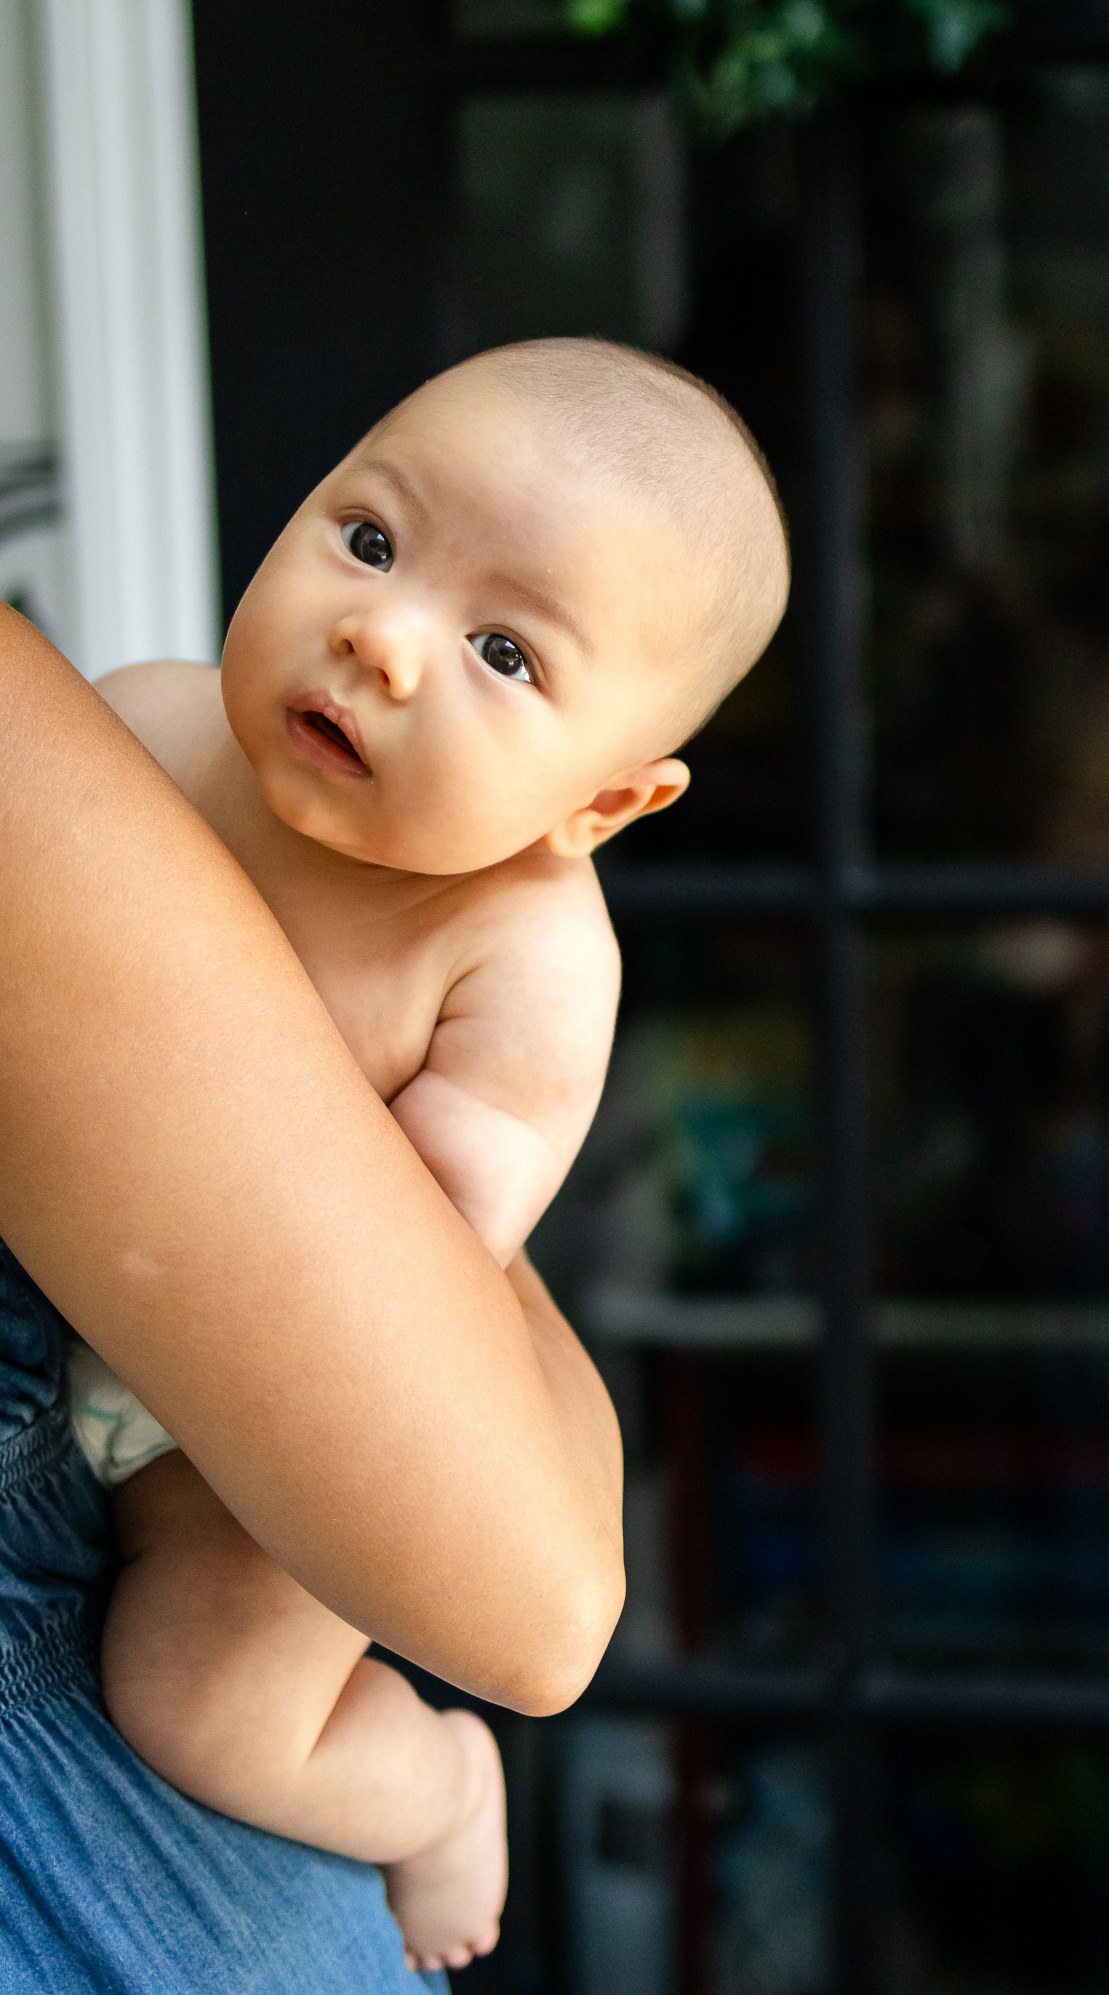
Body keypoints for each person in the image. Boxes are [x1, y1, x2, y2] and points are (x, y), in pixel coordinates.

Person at [57, 341, 790, 1974]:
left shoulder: (522, 958)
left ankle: (439, 1785)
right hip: (71, 1299)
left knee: (203, 1708)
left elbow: (431, 1252)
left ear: (602, 801)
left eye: (505, 651)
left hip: (248, 1442)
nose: (381, 639)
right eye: (371, 540)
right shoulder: (149, 728)